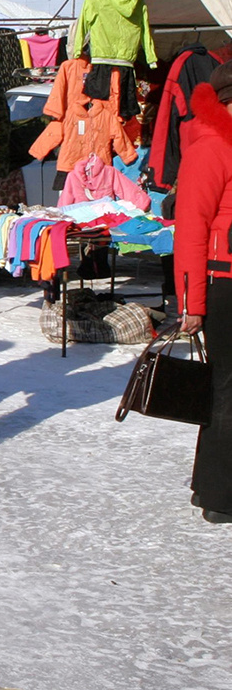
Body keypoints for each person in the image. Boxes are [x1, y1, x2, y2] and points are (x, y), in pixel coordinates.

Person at [174, 63, 232, 524]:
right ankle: (219, 493)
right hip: (223, 283)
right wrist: (192, 303)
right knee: (227, 387)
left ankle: (209, 485)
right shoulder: (211, 146)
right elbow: (191, 228)